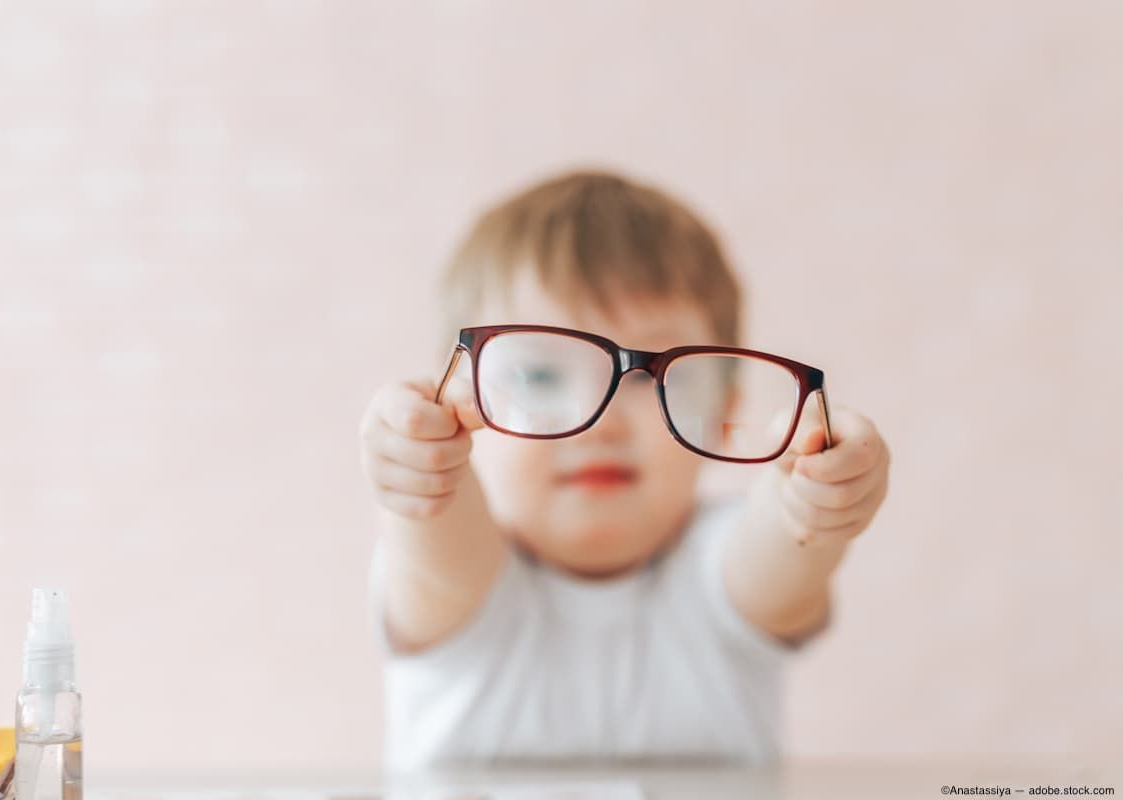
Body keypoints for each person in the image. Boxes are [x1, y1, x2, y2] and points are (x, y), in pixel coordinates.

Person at [358, 169, 890, 770]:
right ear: (462, 399)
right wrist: (418, 464)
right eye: (540, 375)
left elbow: (785, 548)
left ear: (724, 412)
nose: (603, 420)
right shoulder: (467, 580)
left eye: (656, 375)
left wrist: (810, 500)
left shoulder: (725, 571)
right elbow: (437, 544)